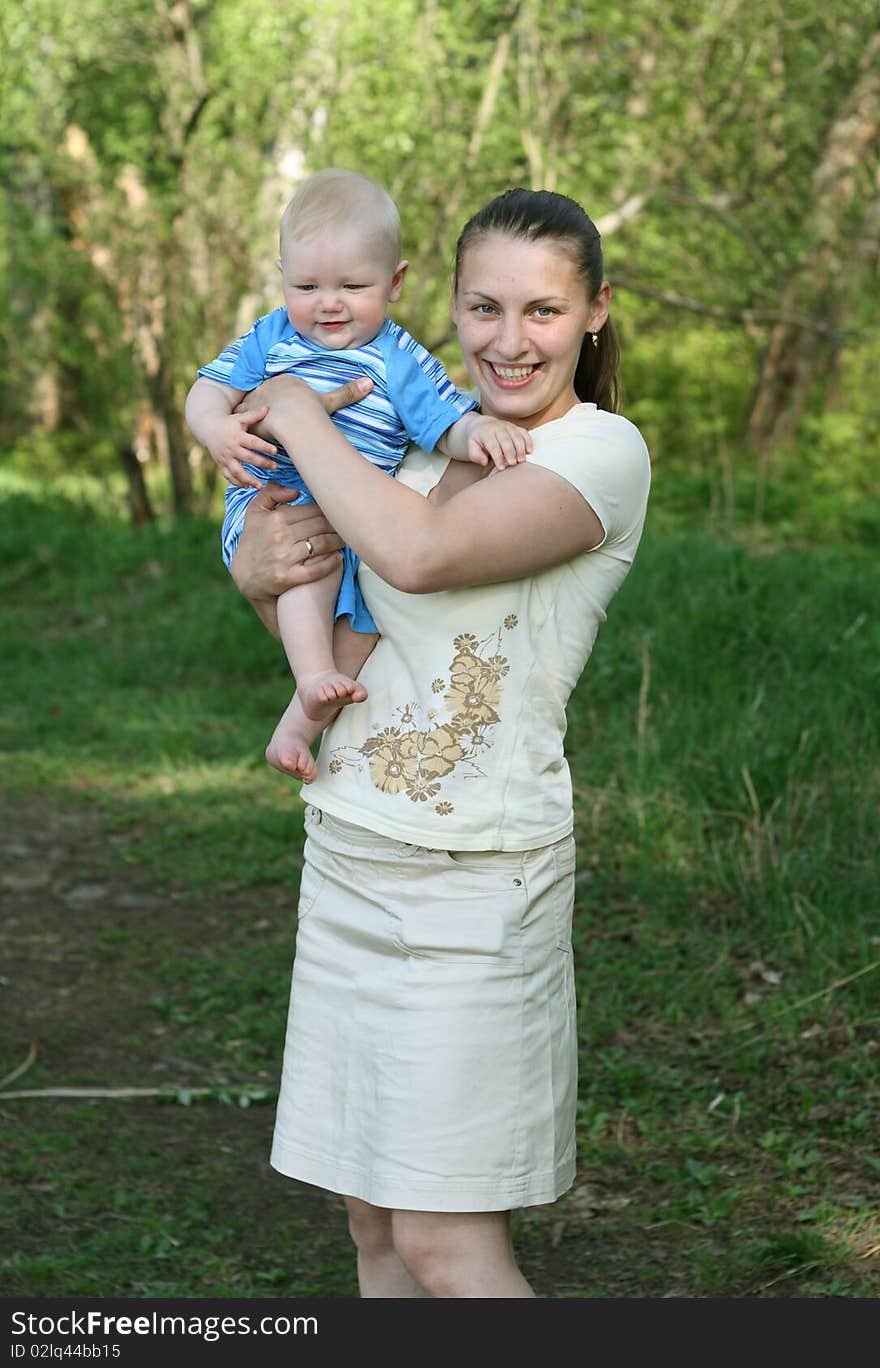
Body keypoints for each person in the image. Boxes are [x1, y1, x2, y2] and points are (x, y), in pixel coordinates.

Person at [228, 188, 651, 1297]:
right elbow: (321, 592)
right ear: (445, 308)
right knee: (373, 1224)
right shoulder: (420, 434)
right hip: (353, 850)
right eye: (484, 308)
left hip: (477, 884)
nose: (509, 341)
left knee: (442, 1241)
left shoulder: (599, 455)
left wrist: (287, 402)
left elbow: (412, 557)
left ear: (596, 313)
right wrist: (254, 566)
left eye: (543, 311)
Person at [185, 169, 531, 783]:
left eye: (352, 284)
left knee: (366, 624)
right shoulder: (273, 336)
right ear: (282, 277)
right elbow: (208, 389)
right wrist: (215, 429)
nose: (329, 302)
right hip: (276, 500)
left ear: (395, 282)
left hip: (354, 526)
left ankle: (296, 725)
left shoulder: (399, 357)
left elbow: (443, 420)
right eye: (307, 285)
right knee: (307, 582)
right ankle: (312, 677)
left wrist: (478, 432)